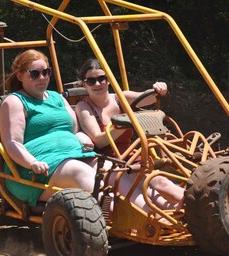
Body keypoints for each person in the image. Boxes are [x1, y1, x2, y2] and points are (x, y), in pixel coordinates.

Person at [75, 58, 184, 210]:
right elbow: (99, 141)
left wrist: (159, 89)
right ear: (83, 84)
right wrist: (125, 122)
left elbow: (149, 98)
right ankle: (169, 216)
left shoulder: (120, 98)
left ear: (108, 80)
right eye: (91, 81)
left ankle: (196, 204)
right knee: (146, 190)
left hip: (130, 155)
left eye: (102, 79)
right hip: (105, 161)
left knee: (161, 182)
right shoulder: (84, 107)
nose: (98, 84)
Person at [0, 49, 97, 207]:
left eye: (46, 72)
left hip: (74, 154)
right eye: (34, 74)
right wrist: (32, 162)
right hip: (35, 170)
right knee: (81, 173)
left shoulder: (57, 97)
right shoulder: (15, 102)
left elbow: (73, 130)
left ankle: (145, 223)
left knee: (111, 172)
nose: (42, 78)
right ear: (20, 76)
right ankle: (110, 220)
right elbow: (12, 143)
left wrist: (81, 136)